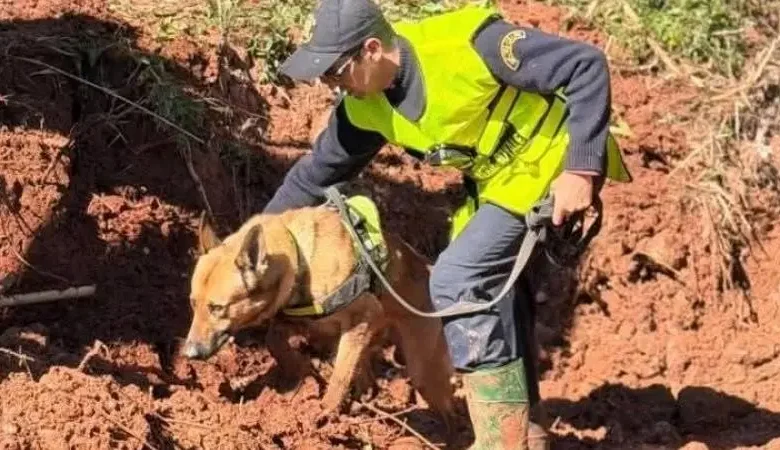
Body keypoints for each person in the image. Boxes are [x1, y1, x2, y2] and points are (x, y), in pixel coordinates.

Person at [265, 0, 632, 448]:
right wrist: (254, 239)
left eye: (335, 72)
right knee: (497, 292)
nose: (330, 85)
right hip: (497, 183)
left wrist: (581, 169)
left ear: (372, 50)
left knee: (461, 279)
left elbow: (585, 64)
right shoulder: (366, 105)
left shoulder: (470, 48)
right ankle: (526, 429)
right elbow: (315, 174)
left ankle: (501, 439)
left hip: (549, 162)